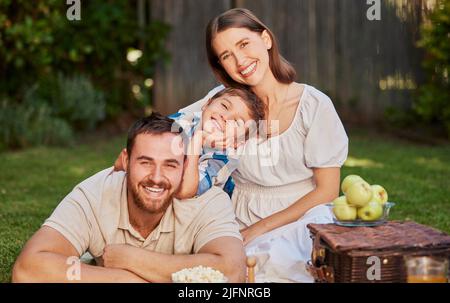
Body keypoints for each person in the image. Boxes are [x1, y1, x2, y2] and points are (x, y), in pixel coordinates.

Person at [179, 8, 349, 282]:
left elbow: (327, 190)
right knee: (216, 271)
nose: (239, 61)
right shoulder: (221, 101)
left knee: (277, 266)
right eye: (226, 56)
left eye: (243, 44)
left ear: (266, 39)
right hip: (236, 212)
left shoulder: (313, 105)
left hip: (301, 215)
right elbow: (171, 127)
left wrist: (259, 228)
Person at [12, 113, 246, 283]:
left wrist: (131, 258)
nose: (156, 178)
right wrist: (126, 280)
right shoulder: (95, 193)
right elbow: (28, 269)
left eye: (170, 165)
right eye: (145, 162)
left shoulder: (208, 200)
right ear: (125, 160)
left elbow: (232, 271)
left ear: (185, 167)